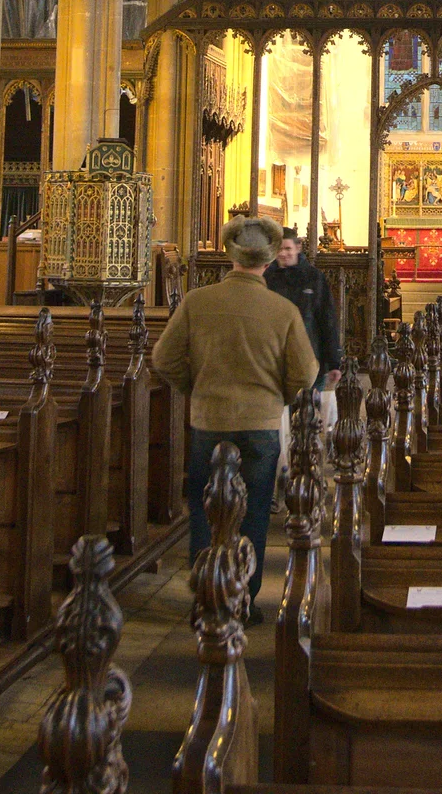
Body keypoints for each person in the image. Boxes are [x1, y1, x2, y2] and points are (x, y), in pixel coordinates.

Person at [152, 215, 317, 623]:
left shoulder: (197, 302)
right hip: (260, 425)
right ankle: (243, 598)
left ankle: (205, 596)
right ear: (268, 260)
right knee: (255, 511)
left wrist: (197, 387)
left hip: (209, 422)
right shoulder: (282, 310)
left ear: (230, 254)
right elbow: (306, 373)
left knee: (207, 510)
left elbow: (163, 359)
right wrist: (277, 395)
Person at [264, 228, 342, 393]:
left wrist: (334, 362)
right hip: (276, 360)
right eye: (279, 249)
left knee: (310, 412)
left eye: (287, 248)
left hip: (310, 356)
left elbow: (327, 319)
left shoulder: (313, 278)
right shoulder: (267, 278)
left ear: (298, 248)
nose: (283, 254)